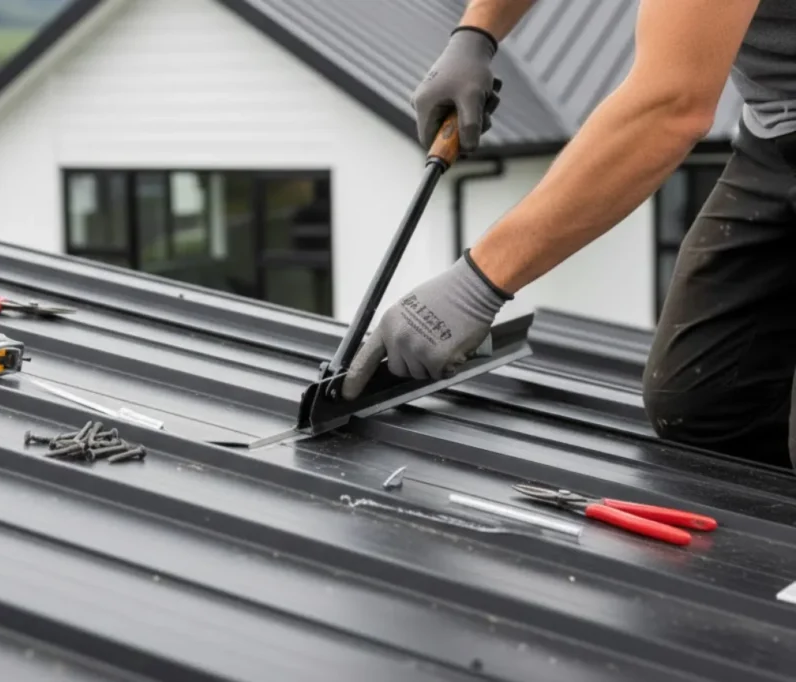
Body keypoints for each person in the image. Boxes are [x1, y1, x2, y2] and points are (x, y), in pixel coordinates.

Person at [341, 0, 796, 470]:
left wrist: (474, 287)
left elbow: (671, 104)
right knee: (703, 407)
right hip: (775, 132)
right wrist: (476, 35)